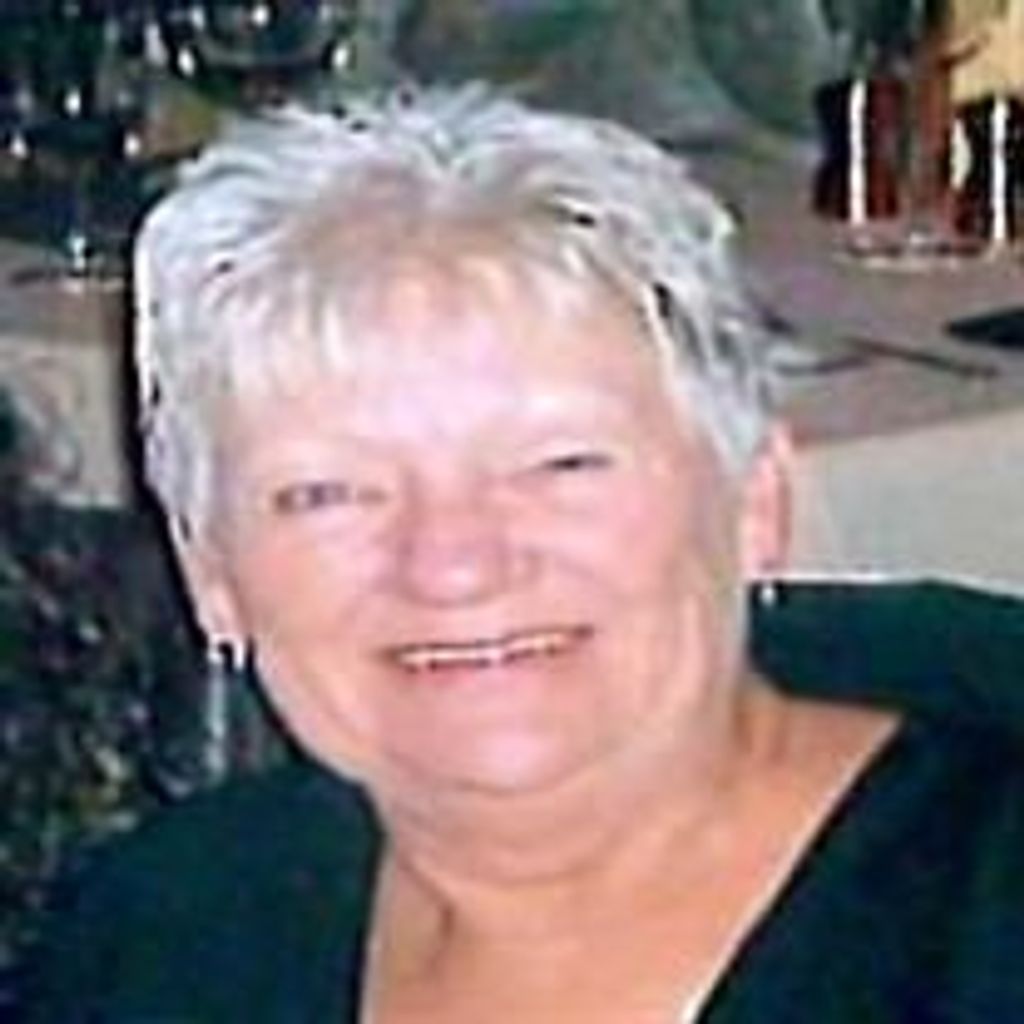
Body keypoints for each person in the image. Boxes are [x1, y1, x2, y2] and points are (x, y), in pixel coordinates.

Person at [26, 85, 1024, 1023]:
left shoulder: (983, 919)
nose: (452, 563)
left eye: (559, 464)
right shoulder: (168, 935)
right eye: (328, 493)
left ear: (753, 503)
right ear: (211, 574)